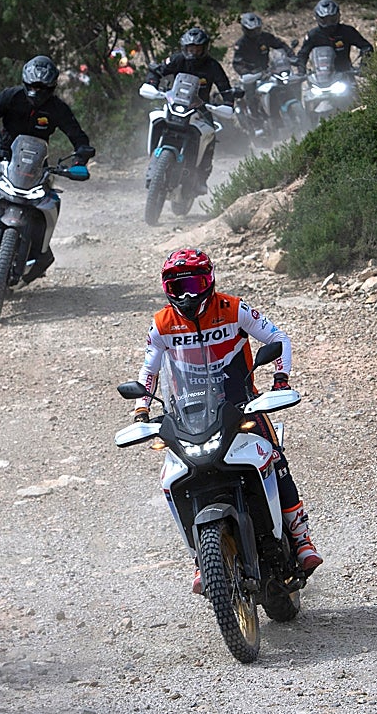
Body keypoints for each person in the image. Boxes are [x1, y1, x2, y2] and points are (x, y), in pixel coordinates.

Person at [130, 248, 323, 592]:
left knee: (276, 462)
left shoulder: (234, 309)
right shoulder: (161, 324)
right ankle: (200, 557)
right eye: (178, 286)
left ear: (210, 280)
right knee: (172, 481)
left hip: (242, 405)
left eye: (195, 283)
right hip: (191, 415)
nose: (188, 294)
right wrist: (142, 408)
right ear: (166, 289)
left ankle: (302, 538)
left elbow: (278, 339)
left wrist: (281, 380)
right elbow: (150, 369)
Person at [0, 55, 95, 282]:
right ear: (25, 83)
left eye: (43, 88)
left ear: (52, 87)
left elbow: (78, 135)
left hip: (37, 164)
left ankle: (39, 251)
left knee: (50, 202)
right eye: (33, 86)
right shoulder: (10, 96)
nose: (37, 91)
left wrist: (81, 157)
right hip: (4, 156)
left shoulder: (58, 109)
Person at [144, 27, 234, 194]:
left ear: (205, 48)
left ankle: (201, 179)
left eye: (198, 49)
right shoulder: (176, 59)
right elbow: (157, 71)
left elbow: (225, 87)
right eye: (190, 48)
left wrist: (228, 103)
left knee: (210, 136)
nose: (193, 52)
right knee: (156, 118)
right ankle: (153, 161)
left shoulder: (213, 66)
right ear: (184, 48)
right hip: (175, 103)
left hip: (201, 109)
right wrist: (151, 83)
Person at [231, 12, 297, 127]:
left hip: (267, 71)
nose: (256, 32)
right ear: (245, 30)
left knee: (283, 84)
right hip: (251, 74)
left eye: (257, 29)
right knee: (250, 95)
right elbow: (237, 63)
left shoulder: (266, 37)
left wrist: (290, 55)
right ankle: (257, 121)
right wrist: (247, 72)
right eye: (252, 30)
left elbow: (280, 45)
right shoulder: (241, 44)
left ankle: (283, 111)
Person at [296, 0, 374, 74]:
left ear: (338, 16)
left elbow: (366, 47)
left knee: (355, 87)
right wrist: (301, 72)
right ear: (318, 18)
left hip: (345, 75)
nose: (329, 23)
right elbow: (303, 54)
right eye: (325, 20)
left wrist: (364, 66)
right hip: (321, 77)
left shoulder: (347, 31)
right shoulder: (313, 35)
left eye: (332, 19)